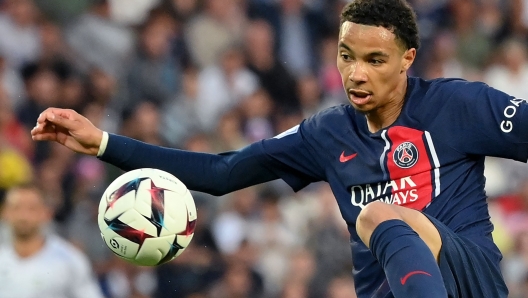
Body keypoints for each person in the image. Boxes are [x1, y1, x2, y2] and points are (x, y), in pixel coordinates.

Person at [30, 0, 515, 297]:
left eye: (375, 60)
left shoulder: (460, 104)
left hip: (468, 276)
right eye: (346, 57)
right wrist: (104, 143)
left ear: (408, 58)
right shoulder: (325, 133)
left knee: (379, 217)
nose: (356, 74)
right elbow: (223, 172)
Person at [0, 183, 104, 298]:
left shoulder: (70, 260)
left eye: (32, 208)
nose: (23, 216)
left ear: (46, 213)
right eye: (16, 208)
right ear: (5, 212)